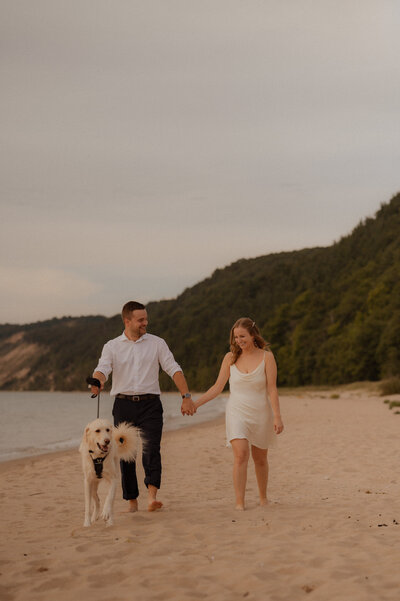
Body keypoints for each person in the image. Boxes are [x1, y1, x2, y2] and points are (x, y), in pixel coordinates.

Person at [90, 301, 196, 512]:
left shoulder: (157, 343)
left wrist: (186, 396)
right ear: (127, 321)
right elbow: (102, 369)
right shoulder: (112, 346)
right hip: (123, 404)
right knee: (125, 454)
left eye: (146, 319)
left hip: (151, 405)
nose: (145, 323)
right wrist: (97, 381)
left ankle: (152, 496)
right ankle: (132, 501)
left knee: (151, 449)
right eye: (140, 320)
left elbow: (173, 368)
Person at [194, 317, 284, 510]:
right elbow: (217, 387)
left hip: (260, 412)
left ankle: (263, 498)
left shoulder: (267, 357)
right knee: (241, 455)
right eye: (235, 337)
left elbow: (272, 389)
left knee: (260, 459)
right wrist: (196, 404)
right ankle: (239, 503)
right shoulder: (230, 358)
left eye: (242, 336)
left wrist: (277, 416)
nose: (239, 341)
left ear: (253, 335)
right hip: (237, 412)